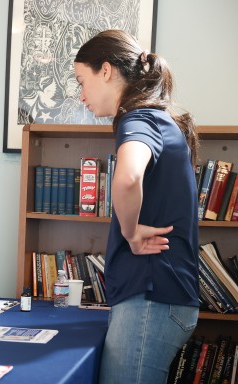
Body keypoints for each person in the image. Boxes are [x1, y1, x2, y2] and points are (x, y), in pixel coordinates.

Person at [74, 30, 200, 383]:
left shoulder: (139, 118)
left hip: (151, 300)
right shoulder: (157, 118)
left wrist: (129, 232)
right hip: (160, 298)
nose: (81, 95)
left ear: (106, 70)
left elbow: (128, 177)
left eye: (82, 81)